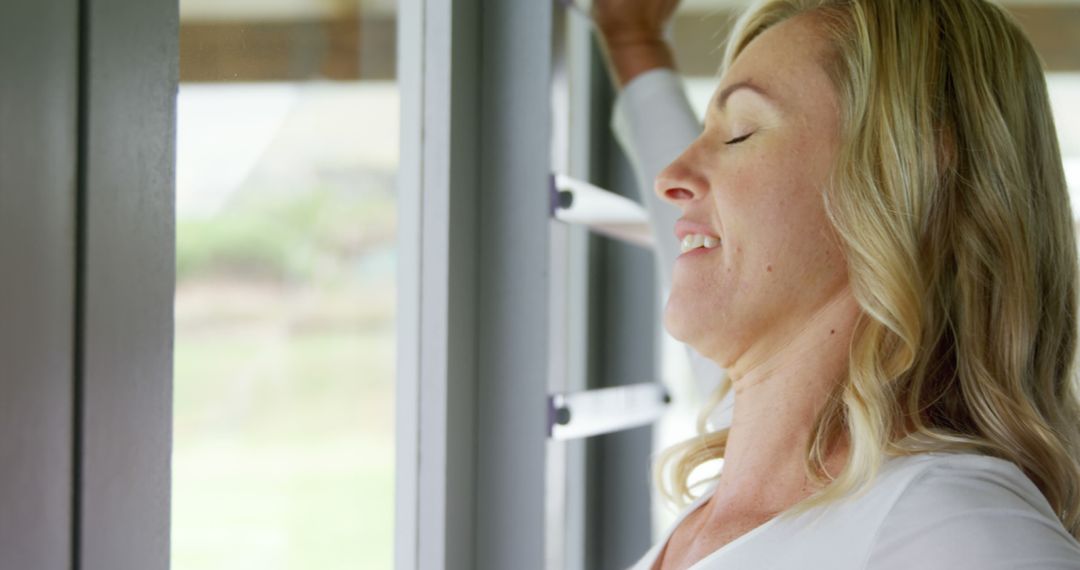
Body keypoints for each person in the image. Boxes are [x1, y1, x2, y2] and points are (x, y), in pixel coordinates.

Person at [592, 0, 1080, 568]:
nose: (669, 178)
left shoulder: (957, 530)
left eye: (740, 133)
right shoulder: (770, 462)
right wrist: (633, 43)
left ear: (905, 180)